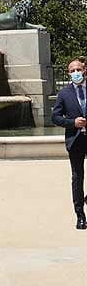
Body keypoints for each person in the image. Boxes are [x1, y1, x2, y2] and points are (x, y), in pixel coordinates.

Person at [52, 57, 87, 229]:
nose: (75, 73)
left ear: (84, 70)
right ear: (68, 73)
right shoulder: (64, 94)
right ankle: (80, 215)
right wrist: (72, 122)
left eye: (78, 69)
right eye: (72, 71)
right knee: (77, 178)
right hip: (76, 140)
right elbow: (55, 117)